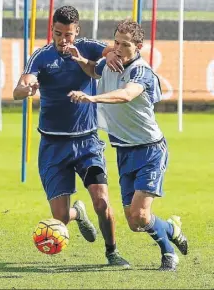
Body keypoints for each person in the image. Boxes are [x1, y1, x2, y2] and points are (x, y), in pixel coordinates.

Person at [67, 19, 188, 271]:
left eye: (125, 44)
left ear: (139, 46)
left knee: (142, 215)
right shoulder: (111, 62)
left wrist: (91, 97)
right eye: (116, 43)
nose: (119, 48)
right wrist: (82, 61)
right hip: (123, 150)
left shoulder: (140, 71)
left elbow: (125, 95)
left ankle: (168, 254)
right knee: (134, 222)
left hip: (150, 150)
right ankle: (171, 228)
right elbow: (94, 69)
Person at [13, 5, 129, 267]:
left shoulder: (87, 47)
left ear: (77, 31)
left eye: (68, 34)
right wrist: (26, 88)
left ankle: (112, 252)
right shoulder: (41, 57)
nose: (63, 40)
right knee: (61, 218)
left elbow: (110, 50)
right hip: (53, 145)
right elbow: (18, 88)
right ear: (51, 30)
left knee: (102, 201)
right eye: (58, 34)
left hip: (87, 142)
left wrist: (110, 55)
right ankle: (78, 213)